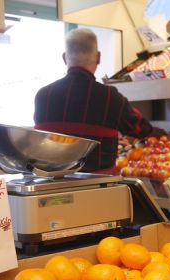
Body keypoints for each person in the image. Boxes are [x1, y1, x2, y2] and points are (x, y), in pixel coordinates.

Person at [34, 28, 154, 174]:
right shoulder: (110, 97)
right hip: (98, 189)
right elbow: (141, 129)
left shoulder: (43, 95)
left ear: (65, 58)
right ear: (98, 58)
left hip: (51, 188)